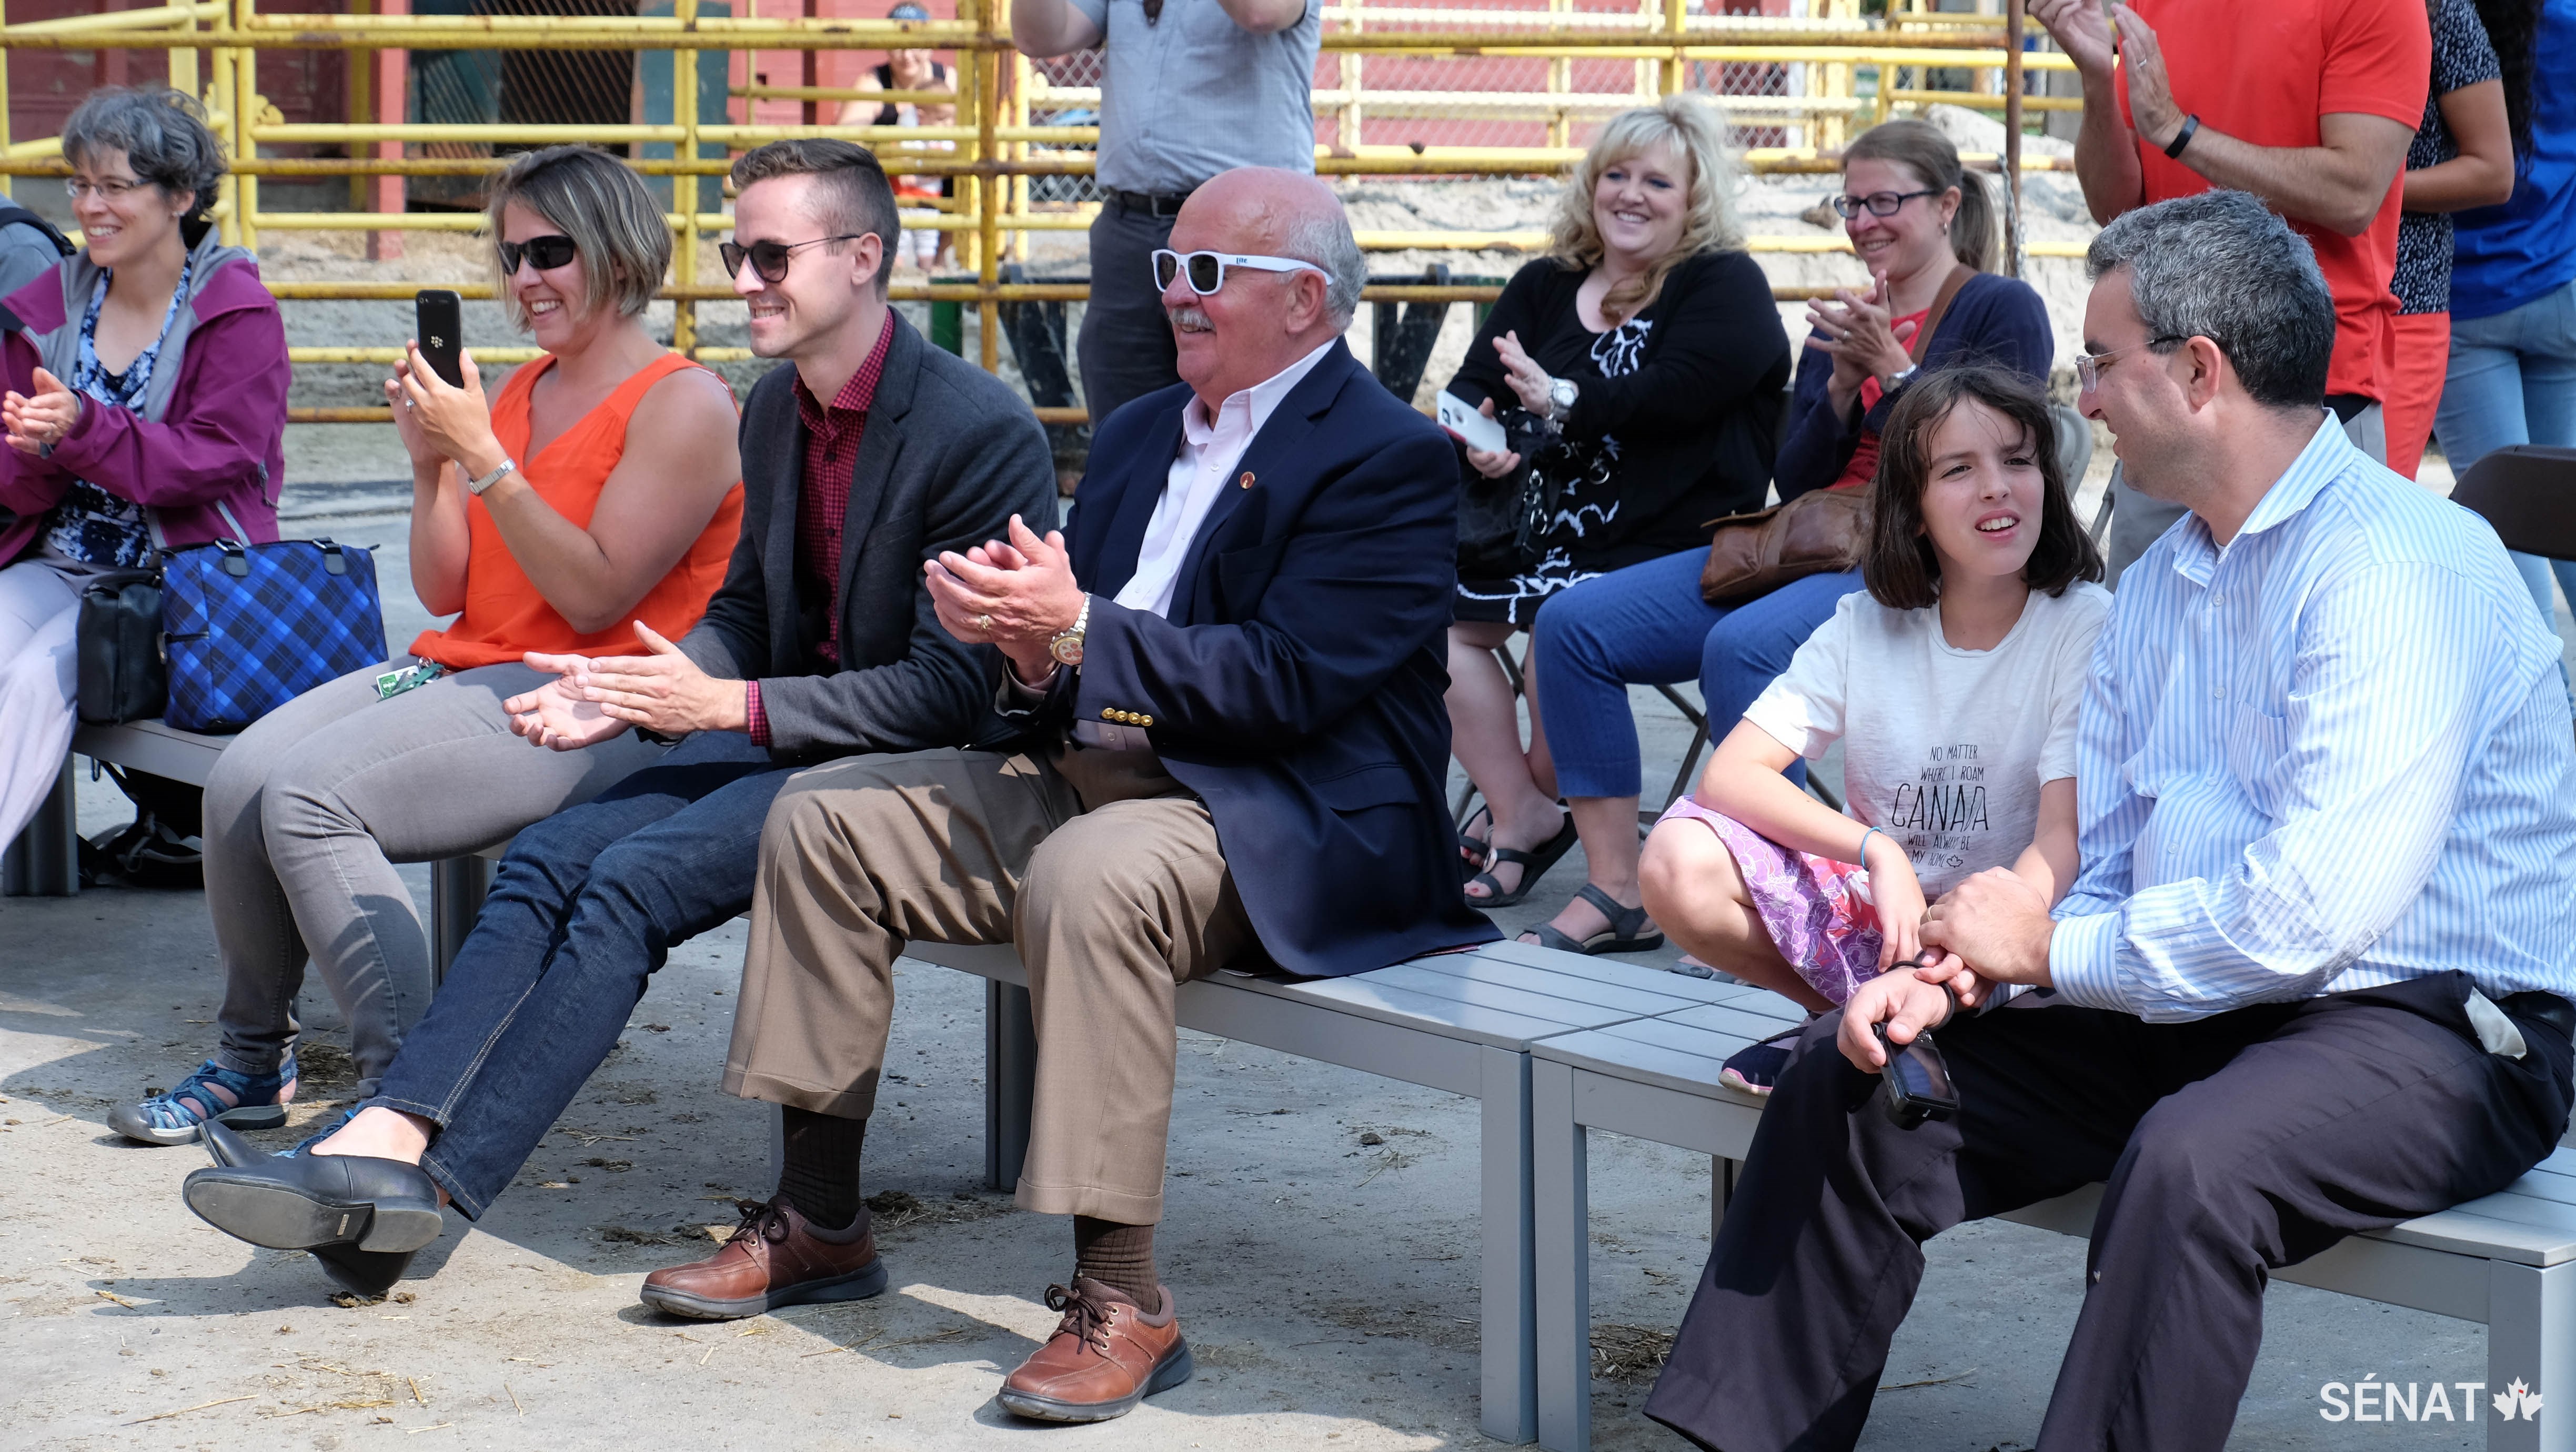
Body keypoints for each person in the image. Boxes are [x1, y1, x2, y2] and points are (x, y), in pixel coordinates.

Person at [1643, 189, 2576, 1452]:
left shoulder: (2397, 571)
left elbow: (2309, 912)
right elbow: (2114, 860)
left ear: (2197, 372)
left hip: (2433, 1024)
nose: (2076, 397)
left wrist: (2043, 951)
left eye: (2097, 361)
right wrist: (1962, 976)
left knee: (2192, 1164)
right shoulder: (2158, 584)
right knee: (1858, 1074)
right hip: (2211, 995)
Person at [631, 168, 1497, 1421]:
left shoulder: (1392, 459)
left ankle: (1122, 1294)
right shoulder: (1145, 428)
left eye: (1208, 273)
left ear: (1308, 302)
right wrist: (1026, 648)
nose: (1175, 295)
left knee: (1093, 876)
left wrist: (1079, 627)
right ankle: (817, 1216)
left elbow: (1293, 683)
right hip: (1105, 768)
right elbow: (1068, 660)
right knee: (828, 817)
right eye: (1167, 268)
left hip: (1282, 811)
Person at [175, 138, 1059, 1300]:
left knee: (630, 882)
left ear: (862, 258)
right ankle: (386, 1135)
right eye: (739, 253)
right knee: (546, 862)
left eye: (770, 256)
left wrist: (722, 703)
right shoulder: (776, 411)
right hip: (783, 735)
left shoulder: (977, 426)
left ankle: (423, 1200)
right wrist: (625, 692)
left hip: (922, 770)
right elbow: (741, 614)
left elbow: (958, 693)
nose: (744, 279)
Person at [110, 146, 745, 1146]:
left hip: (595, 690)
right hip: (467, 659)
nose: (525, 279)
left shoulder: (686, 402)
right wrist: (430, 469)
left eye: (551, 251)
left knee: (311, 797)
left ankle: (405, 1095)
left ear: (619, 252)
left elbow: (593, 597)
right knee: (238, 778)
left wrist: (483, 458)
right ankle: (250, 1061)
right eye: (511, 258)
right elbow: (450, 589)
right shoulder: (516, 391)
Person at [1506, 118, 2052, 958]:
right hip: (1811, 539)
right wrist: (1837, 389)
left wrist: (1899, 377)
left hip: (1918, 548)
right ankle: (1617, 887)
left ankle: (1820, 900)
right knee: (1572, 625)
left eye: (1886, 201)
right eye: (1851, 203)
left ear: (1946, 206)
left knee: (1743, 648)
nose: (1865, 221)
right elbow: (1795, 478)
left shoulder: (1996, 305)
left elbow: (2004, 452)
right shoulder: (1842, 320)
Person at [1639, 366, 2106, 1095]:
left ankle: (1912, 1026)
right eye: (1958, 469)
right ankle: (1846, 1017)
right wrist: (1875, 849)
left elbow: (2062, 840)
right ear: (1914, 510)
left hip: (2021, 931)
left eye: (2018, 460)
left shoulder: (2084, 623)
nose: (1997, 486)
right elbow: (1730, 776)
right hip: (1888, 932)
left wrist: (1979, 949)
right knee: (1675, 856)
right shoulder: (1864, 625)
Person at [1441, 96, 1790, 942]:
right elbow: (1463, 392)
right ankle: (1519, 808)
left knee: (1567, 620)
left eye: (1657, 182)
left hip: (1672, 539)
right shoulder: (1547, 283)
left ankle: (1563, 832)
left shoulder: (1722, 284)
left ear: (1694, 198)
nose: (1631, 195)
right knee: (1430, 619)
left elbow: (1666, 398)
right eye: (1616, 176)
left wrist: (1555, 398)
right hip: (1535, 529)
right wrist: (1485, 441)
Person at [2030, 0, 2430, 578]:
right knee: (2147, 653)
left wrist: (2178, 132)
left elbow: (2353, 193)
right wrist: (2097, 76)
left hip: (2302, 396)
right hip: (2163, 393)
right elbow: (2115, 206)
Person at [0, 87, 286, 848]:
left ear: (180, 197)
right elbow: (13, 482)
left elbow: (213, 461)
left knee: (36, 681)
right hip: (59, 565)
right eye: (81, 185)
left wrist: (81, 431)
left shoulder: (235, 309)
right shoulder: (46, 307)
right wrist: (33, 449)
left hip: (181, 584)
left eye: (116, 187)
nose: (91, 206)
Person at [1009, 0, 1321, 428]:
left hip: (1246, 237)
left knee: (1253, 422)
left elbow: (1261, 11)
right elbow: (1038, 37)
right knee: (1127, 430)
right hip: (1130, 223)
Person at [2435, 0, 2573, 650]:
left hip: (2469, 302)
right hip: (2561, 286)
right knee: (2566, 519)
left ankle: (2552, 725)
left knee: (2511, 542)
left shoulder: (2435, 18)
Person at [2387, 0, 2516, 478]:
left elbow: (2493, 170)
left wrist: (2357, 185)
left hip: (2403, 305)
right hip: (2263, 303)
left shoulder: (2440, 11)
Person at [835, 2, 957, 274]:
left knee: (967, 174)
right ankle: (883, 260)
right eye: (898, 44)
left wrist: (935, 156)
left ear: (930, 44)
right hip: (889, 185)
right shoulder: (874, 82)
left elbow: (969, 136)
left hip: (936, 181)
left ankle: (941, 256)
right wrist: (890, 151)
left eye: (915, 44)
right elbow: (846, 139)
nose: (906, 55)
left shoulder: (948, 80)